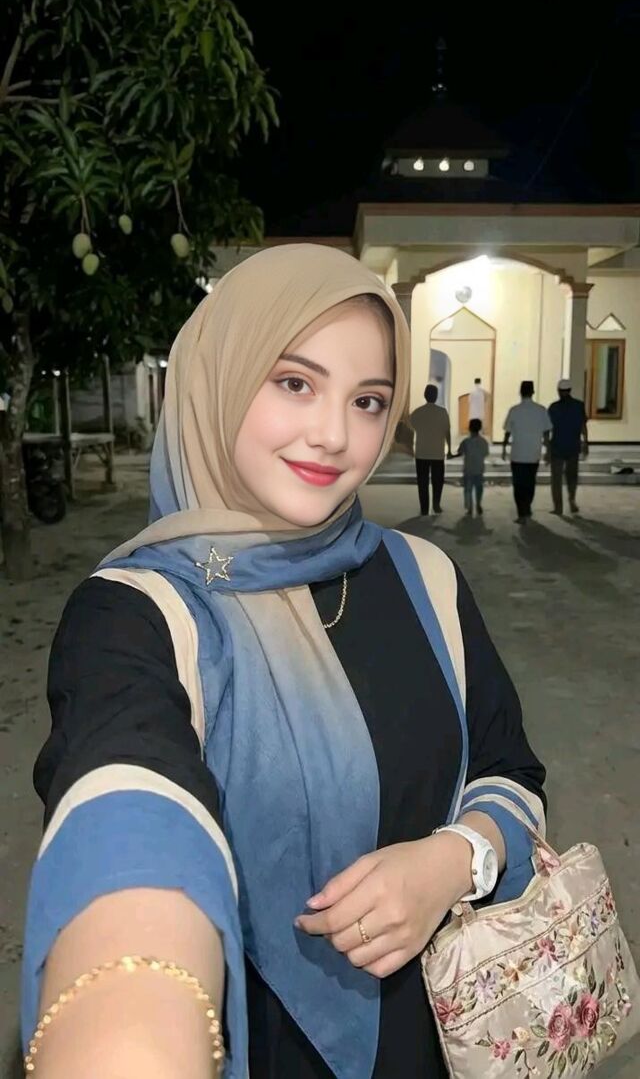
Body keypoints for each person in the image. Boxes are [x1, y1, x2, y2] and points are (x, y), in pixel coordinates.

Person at [22, 245, 546, 1079]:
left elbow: (509, 771)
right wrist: (130, 1018)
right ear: (220, 379)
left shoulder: (426, 579)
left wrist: (456, 859)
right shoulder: (138, 613)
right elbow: (127, 816)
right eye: (295, 383)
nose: (334, 435)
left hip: (438, 1042)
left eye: (368, 400)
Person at [502, 380, 552, 524]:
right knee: (530, 483)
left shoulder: (514, 410)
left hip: (517, 454)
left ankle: (522, 512)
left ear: (520, 392)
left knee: (518, 485)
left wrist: (504, 448)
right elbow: (546, 433)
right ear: (533, 392)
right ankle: (527, 508)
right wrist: (548, 450)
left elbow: (507, 432)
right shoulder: (541, 410)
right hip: (533, 454)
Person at [409, 383, 453, 515]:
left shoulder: (417, 412)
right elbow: (447, 432)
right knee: (437, 481)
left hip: (422, 453)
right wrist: (450, 449)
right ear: (436, 396)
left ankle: (424, 509)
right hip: (437, 453)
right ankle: (436, 505)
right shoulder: (442, 412)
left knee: (422, 482)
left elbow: (410, 429)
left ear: (425, 395)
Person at [547, 378, 589, 515]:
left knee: (556, 479)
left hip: (558, 446)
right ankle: (572, 499)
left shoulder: (553, 407)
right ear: (570, 390)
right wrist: (586, 442)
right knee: (572, 476)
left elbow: (547, 429)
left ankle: (558, 507)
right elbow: (583, 426)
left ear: (559, 391)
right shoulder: (579, 405)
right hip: (572, 446)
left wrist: (547, 448)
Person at [456, 418, 489, 517]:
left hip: (468, 470)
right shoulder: (484, 442)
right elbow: (485, 453)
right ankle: (478, 504)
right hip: (479, 469)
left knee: (468, 489)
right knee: (479, 488)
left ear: (469, 428)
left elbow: (460, 451)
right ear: (480, 428)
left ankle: (469, 508)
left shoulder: (466, 441)